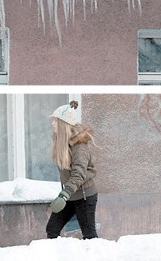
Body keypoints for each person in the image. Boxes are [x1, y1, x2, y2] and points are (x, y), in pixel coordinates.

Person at [46, 100, 99, 239]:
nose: (52, 123)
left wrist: (63, 195)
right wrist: (65, 194)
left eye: (56, 121)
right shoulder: (61, 143)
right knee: (52, 229)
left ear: (64, 123)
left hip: (84, 195)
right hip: (70, 194)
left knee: (89, 235)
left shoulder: (79, 146)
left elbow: (78, 174)